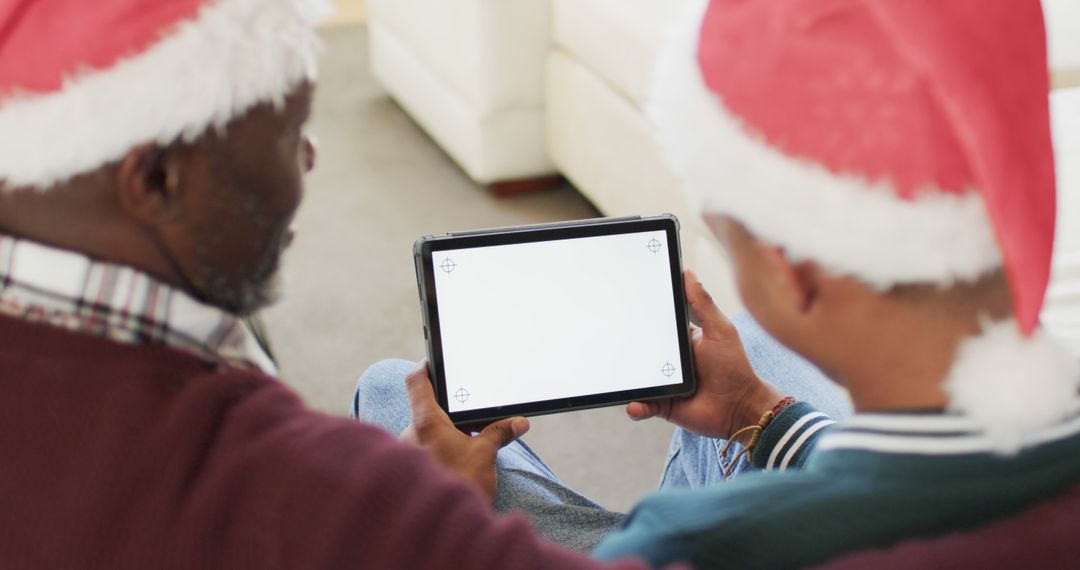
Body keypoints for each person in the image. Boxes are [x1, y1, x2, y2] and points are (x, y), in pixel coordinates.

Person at [354, 0, 1080, 568]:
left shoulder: (687, 546)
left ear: (793, 270)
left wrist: (437, 526)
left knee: (396, 393)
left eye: (732, 242)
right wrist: (760, 415)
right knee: (757, 352)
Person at [0, 1, 661, 568]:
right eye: (289, 132)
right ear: (156, 182)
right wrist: (413, 514)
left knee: (388, 387)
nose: (310, 157)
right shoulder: (311, 499)